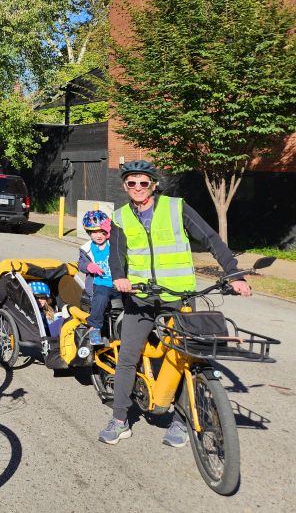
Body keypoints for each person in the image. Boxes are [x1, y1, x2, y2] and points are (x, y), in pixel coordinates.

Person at [98, 160, 251, 448]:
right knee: (128, 357)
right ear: (125, 187)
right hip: (141, 298)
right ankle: (119, 420)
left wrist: (233, 273)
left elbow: (210, 238)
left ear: (154, 185)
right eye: (132, 183)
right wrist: (119, 277)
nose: (138, 188)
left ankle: (180, 421)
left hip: (179, 297)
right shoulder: (119, 217)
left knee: (185, 357)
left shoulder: (176, 207)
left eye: (144, 182)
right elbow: (116, 256)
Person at [78, 211, 115, 346]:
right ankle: (94, 330)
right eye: (94, 232)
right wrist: (89, 266)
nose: (99, 235)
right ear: (88, 233)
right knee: (100, 301)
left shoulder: (113, 244)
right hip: (100, 284)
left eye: (102, 231)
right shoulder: (86, 249)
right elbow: (80, 265)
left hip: (116, 283)